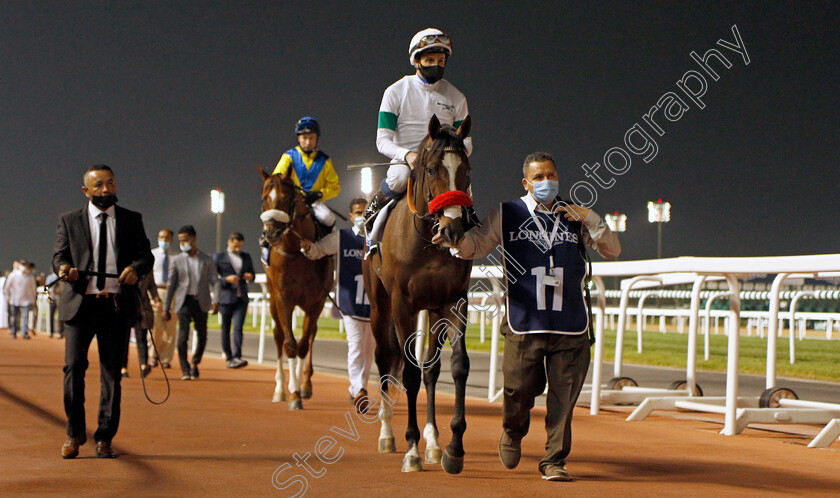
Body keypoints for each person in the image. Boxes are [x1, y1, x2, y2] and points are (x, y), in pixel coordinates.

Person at [432, 152, 621, 481]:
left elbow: (612, 249)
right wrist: (454, 242)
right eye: (538, 177)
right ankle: (513, 431)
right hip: (524, 323)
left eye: (551, 175)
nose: (546, 181)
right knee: (518, 391)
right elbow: (475, 246)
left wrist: (591, 217)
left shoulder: (574, 215)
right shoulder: (507, 214)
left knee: (563, 401)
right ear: (526, 182)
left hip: (571, 325)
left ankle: (554, 460)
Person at [53, 164, 153, 459]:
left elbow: (145, 256)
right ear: (86, 190)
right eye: (98, 185)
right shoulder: (69, 220)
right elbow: (59, 256)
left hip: (115, 306)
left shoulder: (131, 220)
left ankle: (104, 438)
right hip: (79, 308)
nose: (105, 189)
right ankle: (74, 433)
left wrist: (136, 269)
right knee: (73, 370)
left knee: (112, 374)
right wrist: (63, 269)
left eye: (110, 183)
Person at [366, 27, 474, 228]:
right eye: (430, 61)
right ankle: (372, 220)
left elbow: (466, 140)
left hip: (441, 161)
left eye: (441, 62)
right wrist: (407, 155)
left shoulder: (457, 97)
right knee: (398, 179)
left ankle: (469, 225)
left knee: (465, 187)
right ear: (416, 61)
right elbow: (382, 141)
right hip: (407, 162)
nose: (437, 66)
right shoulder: (395, 92)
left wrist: (454, 155)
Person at [300, 198, 374, 413]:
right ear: (351, 216)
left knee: (369, 351)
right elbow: (317, 251)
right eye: (358, 212)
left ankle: (356, 388)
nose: (362, 216)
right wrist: (307, 248)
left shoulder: (379, 237)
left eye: (365, 212)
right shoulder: (341, 238)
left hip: (374, 305)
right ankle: (360, 389)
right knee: (356, 346)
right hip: (349, 304)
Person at [163, 225, 219, 381]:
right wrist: (166, 307)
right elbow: (171, 285)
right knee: (182, 336)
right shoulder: (176, 260)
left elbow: (215, 280)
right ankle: (185, 368)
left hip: (201, 301)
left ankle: (195, 361)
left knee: (202, 335)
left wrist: (217, 300)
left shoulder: (206, 259)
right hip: (184, 302)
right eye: (180, 240)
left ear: (193, 239)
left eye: (185, 240)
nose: (182, 243)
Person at [213, 232, 255, 368]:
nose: (237, 249)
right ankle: (229, 356)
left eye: (240, 246)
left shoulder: (246, 256)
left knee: (238, 328)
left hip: (241, 298)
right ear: (229, 242)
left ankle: (237, 356)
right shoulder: (218, 257)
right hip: (226, 298)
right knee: (225, 328)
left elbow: (253, 274)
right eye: (235, 246)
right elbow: (212, 278)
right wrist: (226, 280)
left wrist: (250, 277)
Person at [149, 229, 178, 368]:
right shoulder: (152, 255)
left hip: (172, 293)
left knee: (170, 328)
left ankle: (165, 359)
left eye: (167, 237)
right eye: (161, 237)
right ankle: (153, 356)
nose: (164, 239)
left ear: (171, 239)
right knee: (155, 326)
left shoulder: (177, 257)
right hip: (156, 292)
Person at [122, 270, 158, 378]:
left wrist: (156, 298)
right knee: (124, 338)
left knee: (142, 337)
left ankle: (143, 365)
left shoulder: (146, 269)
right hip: (126, 306)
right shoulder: (123, 266)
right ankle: (123, 367)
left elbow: (152, 285)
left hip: (142, 307)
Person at [4, 259, 37, 339]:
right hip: (14, 299)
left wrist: (33, 299)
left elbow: (33, 289)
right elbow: (7, 288)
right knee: (14, 317)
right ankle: (14, 331)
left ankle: (24, 332)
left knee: (25, 316)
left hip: (26, 300)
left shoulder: (30, 277)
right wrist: (7, 297)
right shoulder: (13, 275)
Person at [45, 272, 65, 338]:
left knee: (60, 316)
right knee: (51, 315)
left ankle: (60, 332)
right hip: (53, 299)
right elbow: (47, 287)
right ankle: (51, 332)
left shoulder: (64, 277)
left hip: (60, 299)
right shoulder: (51, 277)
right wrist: (51, 293)